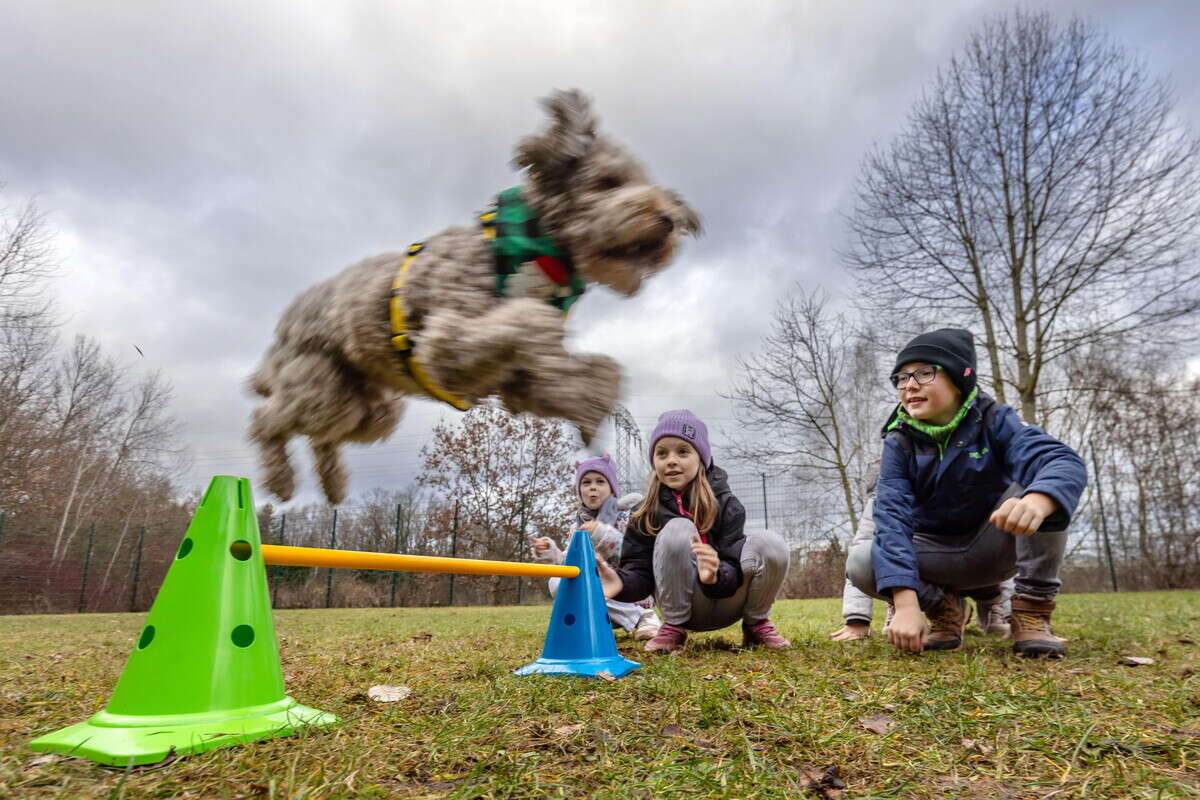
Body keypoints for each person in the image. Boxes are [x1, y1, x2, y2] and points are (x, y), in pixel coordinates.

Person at [846, 329, 1086, 657]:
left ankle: (1032, 611)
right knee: (862, 560)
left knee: (1038, 484)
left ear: (959, 379)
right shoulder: (898, 442)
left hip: (996, 545)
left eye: (925, 373)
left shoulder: (996, 420)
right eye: (901, 378)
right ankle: (946, 610)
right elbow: (891, 517)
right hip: (933, 556)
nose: (910, 385)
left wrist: (1037, 501)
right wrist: (905, 602)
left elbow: (1059, 460)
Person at [596, 410, 791, 653]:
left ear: (702, 458)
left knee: (770, 542)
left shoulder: (728, 506)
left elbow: (734, 563)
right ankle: (674, 629)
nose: (671, 461)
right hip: (681, 609)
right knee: (678, 528)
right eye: (662, 453)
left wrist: (715, 575)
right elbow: (641, 573)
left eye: (683, 451)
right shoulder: (644, 514)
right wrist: (621, 582)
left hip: (728, 602)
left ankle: (756, 625)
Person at [831, 502, 1015, 641]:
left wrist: (1010, 614)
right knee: (879, 555)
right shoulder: (888, 494)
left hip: (978, 570)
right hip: (925, 570)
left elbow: (1004, 551)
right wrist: (857, 620)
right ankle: (945, 608)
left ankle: (993, 610)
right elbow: (861, 551)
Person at [532, 454, 660, 640]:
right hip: (601, 599)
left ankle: (644, 616)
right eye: (586, 482)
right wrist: (551, 552)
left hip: (629, 592)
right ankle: (589, 621)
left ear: (612, 488)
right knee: (557, 581)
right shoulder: (577, 526)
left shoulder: (627, 518)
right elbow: (572, 562)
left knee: (595, 578)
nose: (593, 487)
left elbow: (629, 555)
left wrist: (601, 534)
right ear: (579, 490)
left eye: (600, 481)